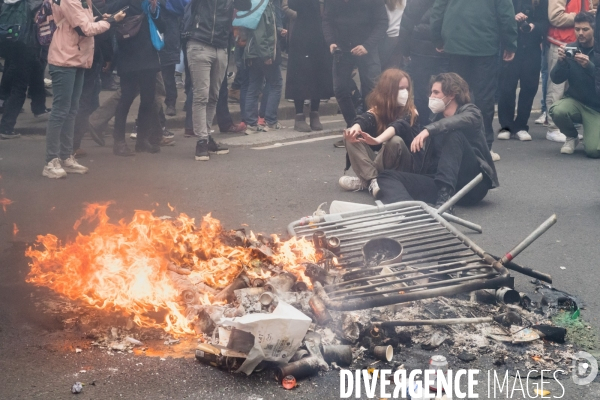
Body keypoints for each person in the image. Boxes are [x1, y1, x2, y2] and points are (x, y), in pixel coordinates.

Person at [377, 73, 498, 212]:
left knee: (454, 134)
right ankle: (408, 210)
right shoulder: (435, 118)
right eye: (431, 93)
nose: (431, 97)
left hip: (471, 186)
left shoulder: (471, 111)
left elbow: (457, 121)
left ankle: (445, 201)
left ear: (451, 94)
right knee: (386, 176)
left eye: (436, 92)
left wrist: (429, 130)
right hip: (439, 182)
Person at [43, 0, 125, 178]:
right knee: (60, 110)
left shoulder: (82, 1)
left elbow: (80, 23)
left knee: (72, 110)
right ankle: (51, 161)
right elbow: (84, 29)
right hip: (64, 58)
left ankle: (65, 156)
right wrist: (111, 21)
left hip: (77, 58)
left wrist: (100, 18)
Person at [430, 0, 518, 162]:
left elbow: (438, 9)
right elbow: (506, 15)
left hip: (455, 41)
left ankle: (453, 145)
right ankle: (483, 148)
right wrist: (510, 43)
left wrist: (437, 37)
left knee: (455, 96)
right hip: (485, 44)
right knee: (484, 98)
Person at [182, 0, 248, 160]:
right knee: (201, 95)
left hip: (221, 46)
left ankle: (206, 135)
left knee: (213, 96)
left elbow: (247, 5)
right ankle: (201, 141)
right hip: (199, 43)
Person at [338, 69, 419, 198]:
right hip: (383, 164)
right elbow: (365, 118)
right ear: (388, 90)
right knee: (351, 135)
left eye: (406, 88)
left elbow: (397, 126)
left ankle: (366, 180)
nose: (405, 92)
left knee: (395, 140)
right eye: (400, 88)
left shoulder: (412, 111)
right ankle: (372, 180)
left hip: (405, 168)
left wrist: (378, 140)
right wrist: (354, 128)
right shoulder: (379, 109)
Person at [110, 0, 165, 156]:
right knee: (126, 98)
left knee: (148, 100)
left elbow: (163, 26)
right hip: (128, 57)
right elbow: (110, 19)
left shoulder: (150, 3)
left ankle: (142, 140)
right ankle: (119, 141)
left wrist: (154, 9)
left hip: (148, 56)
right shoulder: (123, 2)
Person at [322, 0, 388, 129]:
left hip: (367, 47)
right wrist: (331, 41)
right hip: (342, 47)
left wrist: (367, 46)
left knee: (372, 89)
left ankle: (372, 128)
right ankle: (354, 125)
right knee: (340, 89)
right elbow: (327, 20)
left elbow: (382, 23)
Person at [549, 12, 600, 157]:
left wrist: (589, 66)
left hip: (597, 108)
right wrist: (561, 62)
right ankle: (572, 137)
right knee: (557, 110)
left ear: (594, 30)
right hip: (576, 101)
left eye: (585, 29)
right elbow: (556, 79)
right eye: (577, 29)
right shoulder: (570, 48)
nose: (580, 33)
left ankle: (593, 135)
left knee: (593, 151)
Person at [497, 0, 549, 141]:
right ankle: (506, 125)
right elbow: (498, 18)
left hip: (532, 48)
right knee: (507, 86)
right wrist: (513, 19)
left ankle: (521, 125)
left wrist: (533, 26)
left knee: (529, 87)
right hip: (511, 46)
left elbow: (545, 22)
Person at [284, 0, 333, 132]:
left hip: (319, 31)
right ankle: (299, 116)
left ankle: (315, 113)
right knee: (300, 74)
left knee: (318, 73)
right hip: (300, 32)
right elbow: (292, 5)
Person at [545, 0, 590, 143]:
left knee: (573, 87)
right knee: (556, 87)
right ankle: (553, 128)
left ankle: (569, 127)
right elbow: (555, 17)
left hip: (579, 44)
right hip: (561, 43)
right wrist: (583, 18)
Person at [397, 0, 448, 124]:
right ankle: (444, 125)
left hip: (420, 50)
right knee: (447, 89)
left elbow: (405, 27)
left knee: (421, 92)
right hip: (446, 49)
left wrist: (406, 51)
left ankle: (422, 127)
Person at [243, 0, 285, 133]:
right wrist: (267, 55)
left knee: (253, 86)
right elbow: (261, 33)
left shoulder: (253, 4)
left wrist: (278, 30)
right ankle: (271, 121)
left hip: (251, 52)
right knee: (276, 83)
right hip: (262, 52)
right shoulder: (265, 5)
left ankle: (251, 124)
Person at [379, 0, 405, 70]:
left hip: (385, 36)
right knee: (394, 69)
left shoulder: (382, 3)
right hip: (399, 35)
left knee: (382, 67)